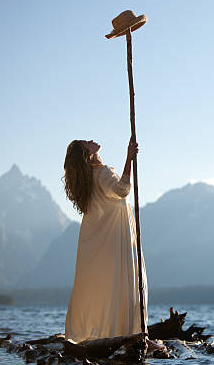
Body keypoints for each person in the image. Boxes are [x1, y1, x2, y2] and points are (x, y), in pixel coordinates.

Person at [62, 137, 149, 344]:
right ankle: (129, 332)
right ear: (87, 154)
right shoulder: (101, 173)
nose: (92, 140)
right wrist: (128, 159)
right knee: (124, 282)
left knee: (104, 285)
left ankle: (96, 332)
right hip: (115, 236)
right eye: (87, 143)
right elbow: (122, 190)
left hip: (98, 237)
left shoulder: (87, 180)